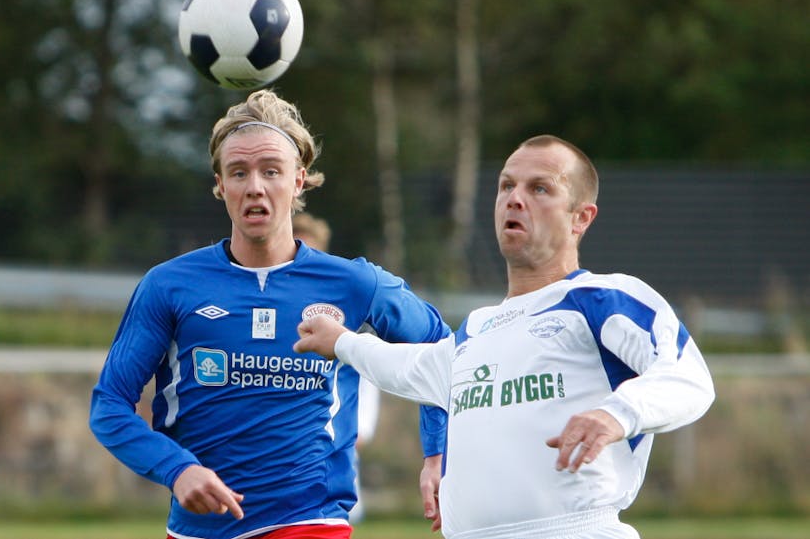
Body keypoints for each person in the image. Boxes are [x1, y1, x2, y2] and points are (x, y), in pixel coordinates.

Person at [294, 134, 716, 539]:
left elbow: (689, 379)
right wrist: (342, 341)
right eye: (507, 185)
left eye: (540, 188)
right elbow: (409, 368)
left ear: (581, 218)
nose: (515, 198)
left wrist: (617, 414)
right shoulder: (477, 329)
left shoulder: (601, 298)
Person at [89, 90, 451, 539]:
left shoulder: (354, 283)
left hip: (310, 520)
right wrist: (177, 469)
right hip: (197, 530)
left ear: (298, 181)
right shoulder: (168, 285)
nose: (255, 187)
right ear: (221, 184)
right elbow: (109, 406)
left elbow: (442, 351)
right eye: (239, 172)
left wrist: (437, 455)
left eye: (271, 171)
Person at [291, 212, 382, 524]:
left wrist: (362, 427)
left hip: (331, 443)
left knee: (331, 517)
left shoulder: (344, 307)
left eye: (310, 250)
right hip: (279, 445)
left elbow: (366, 370)